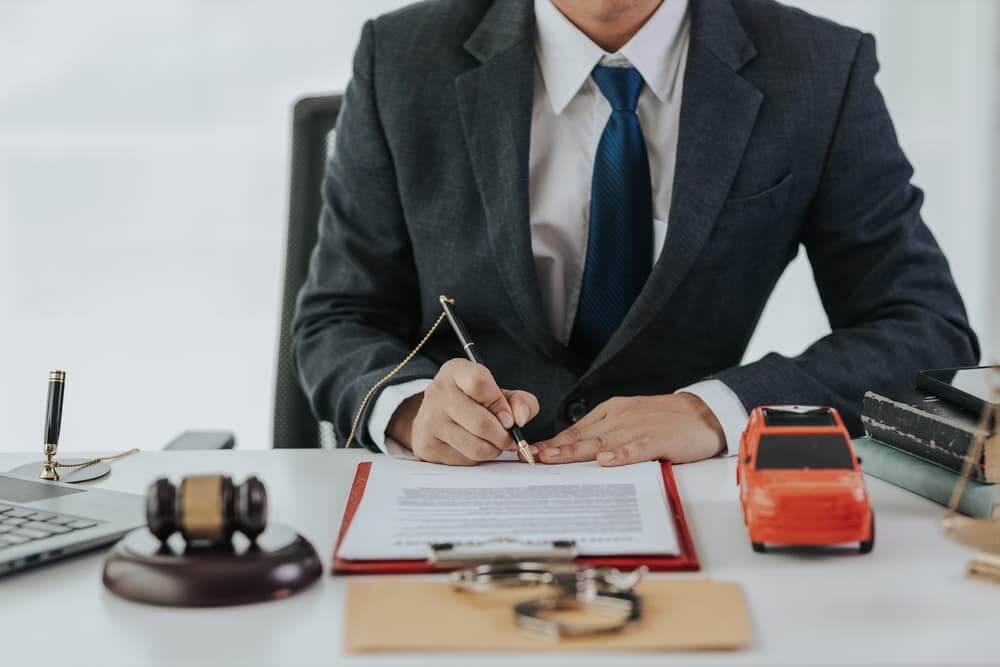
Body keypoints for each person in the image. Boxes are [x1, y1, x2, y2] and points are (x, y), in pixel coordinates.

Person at [292, 0, 978, 466]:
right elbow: (338, 319)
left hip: (697, 505)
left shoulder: (820, 70)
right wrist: (410, 406)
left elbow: (923, 327)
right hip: (459, 499)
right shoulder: (402, 57)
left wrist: (717, 410)